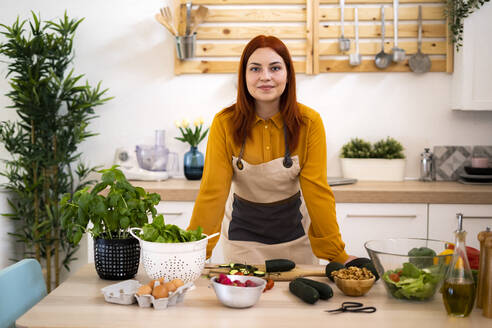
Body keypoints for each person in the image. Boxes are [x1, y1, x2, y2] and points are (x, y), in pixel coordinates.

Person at [187, 35, 354, 265]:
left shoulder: (309, 122)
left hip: (296, 240)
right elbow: (212, 192)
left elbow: (318, 193)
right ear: (244, 76)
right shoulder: (224, 123)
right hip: (242, 242)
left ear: (288, 74)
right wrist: (193, 254)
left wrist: (337, 255)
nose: (265, 77)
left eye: (275, 68)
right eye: (255, 69)